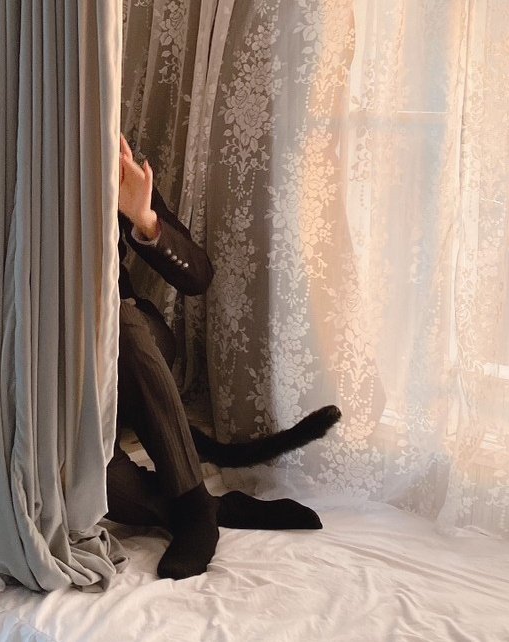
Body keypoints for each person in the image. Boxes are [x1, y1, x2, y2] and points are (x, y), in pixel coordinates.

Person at [109, 136, 338, 580]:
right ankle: (207, 507)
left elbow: (197, 275)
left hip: (132, 344)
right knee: (93, 482)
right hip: (72, 373)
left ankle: (193, 505)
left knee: (121, 321)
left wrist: (143, 217)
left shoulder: (113, 168)